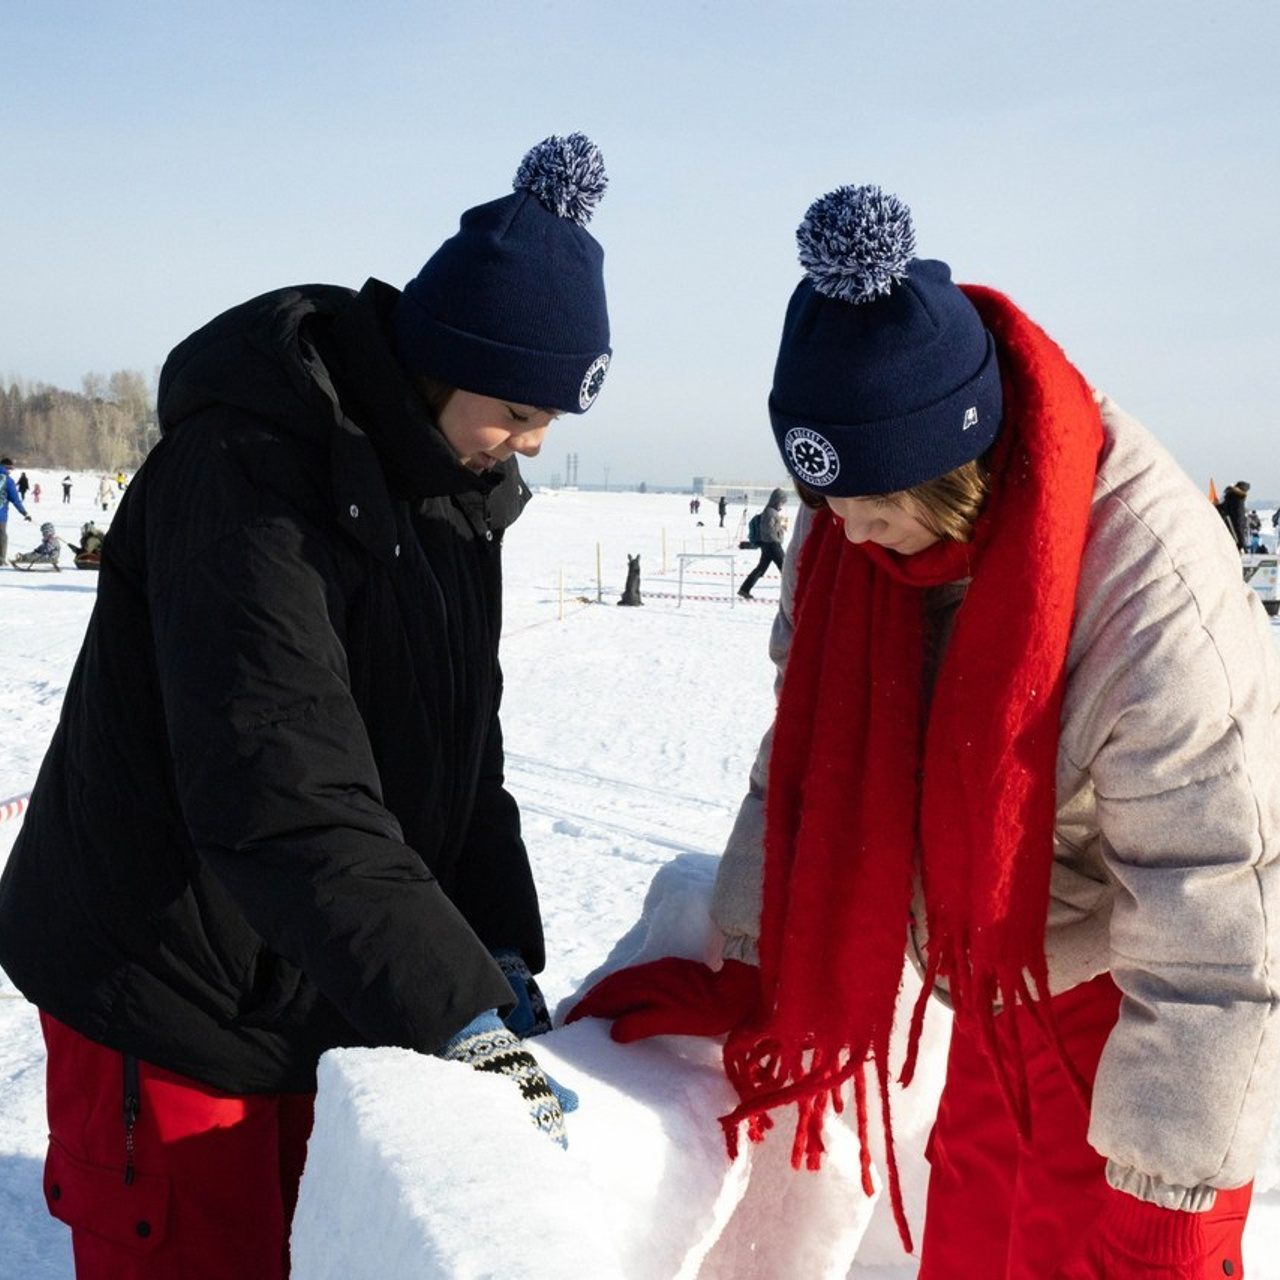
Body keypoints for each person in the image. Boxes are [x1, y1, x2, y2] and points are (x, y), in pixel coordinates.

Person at [568, 184, 1280, 1278]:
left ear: (957, 463)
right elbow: (794, 764)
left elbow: (1216, 912)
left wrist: (1175, 1194)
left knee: (1083, 1242)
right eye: (825, 500)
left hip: (1127, 995)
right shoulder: (843, 538)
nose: (843, 530)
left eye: (869, 500)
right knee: (969, 1224)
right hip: (985, 963)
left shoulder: (1145, 591)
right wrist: (758, 956)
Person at [0, 132, 612, 1279]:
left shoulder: (453, 503)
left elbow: (465, 766)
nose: (528, 445)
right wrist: (453, 1007)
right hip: (166, 990)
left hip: (313, 980)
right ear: (441, 358)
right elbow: (280, 790)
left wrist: (499, 958)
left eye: (548, 423)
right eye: (517, 411)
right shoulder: (242, 480)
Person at [736, 487, 787, 598]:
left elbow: (771, 527)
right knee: (785, 568)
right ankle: (792, 592)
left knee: (761, 569)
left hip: (767, 544)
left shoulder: (771, 511)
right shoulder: (770, 512)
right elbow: (768, 529)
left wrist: (780, 527)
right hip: (772, 544)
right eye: (782, 502)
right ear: (777, 500)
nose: (782, 505)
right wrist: (778, 535)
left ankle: (744, 589)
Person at [0, 455, 34, 566]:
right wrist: (24, 513)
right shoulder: (8, 481)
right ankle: (1, 559)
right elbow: (15, 500)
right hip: (1, 514)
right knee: (2, 536)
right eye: (11, 469)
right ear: (7, 467)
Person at [1217, 478, 1250, 551]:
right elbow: (1239, 522)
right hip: (1232, 534)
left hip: (1222, 529)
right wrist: (1241, 543)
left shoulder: (1229, 495)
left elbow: (1222, 508)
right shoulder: (1239, 500)